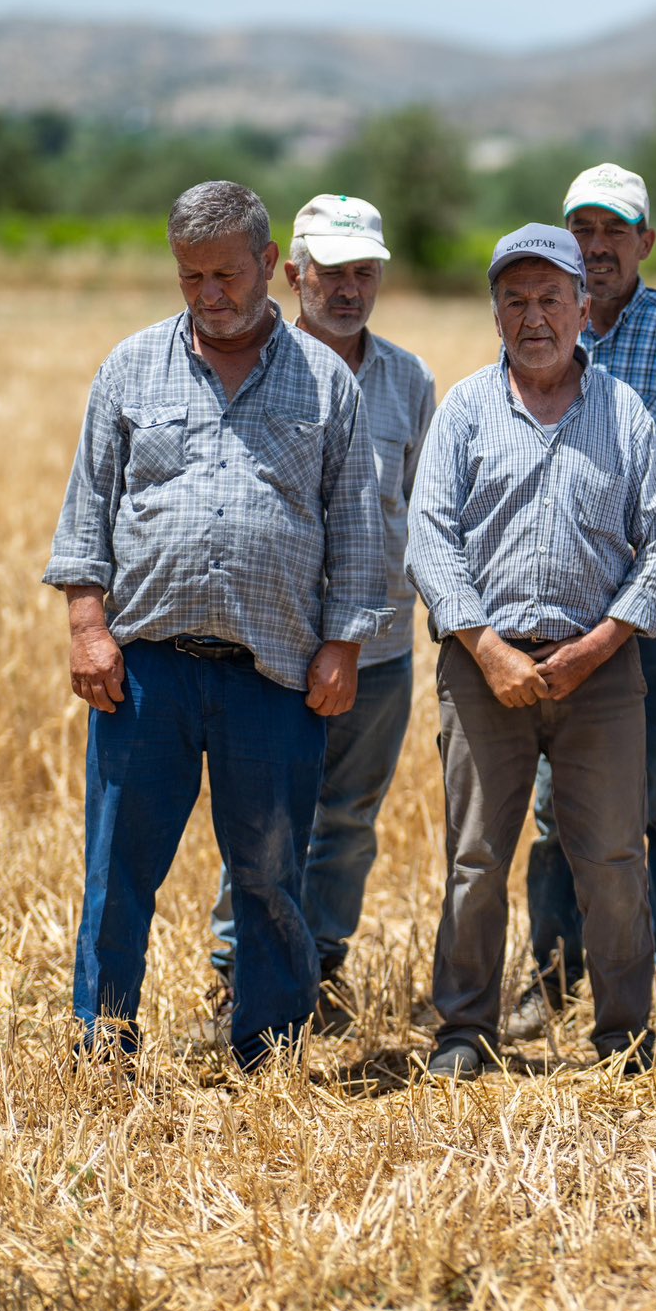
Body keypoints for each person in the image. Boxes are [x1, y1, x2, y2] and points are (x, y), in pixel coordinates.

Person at [42, 179, 386, 1071]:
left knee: (270, 874)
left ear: (270, 265)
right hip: (146, 669)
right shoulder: (129, 368)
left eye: (227, 274)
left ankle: (266, 1050)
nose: (210, 294)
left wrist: (342, 645)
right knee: (120, 869)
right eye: (191, 276)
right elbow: (89, 512)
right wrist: (88, 626)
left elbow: (355, 524)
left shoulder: (325, 385)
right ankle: (101, 1042)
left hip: (272, 672)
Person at [406, 224, 656, 1081]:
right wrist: (487, 649)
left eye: (551, 299)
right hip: (483, 672)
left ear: (583, 307)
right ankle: (465, 1032)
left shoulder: (624, 412)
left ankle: (624, 1038)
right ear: (495, 313)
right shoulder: (464, 410)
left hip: (600, 675)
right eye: (515, 301)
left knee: (611, 860)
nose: (534, 318)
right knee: (477, 859)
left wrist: (598, 646)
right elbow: (429, 537)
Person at [202, 193, 436, 1037]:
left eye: (363, 273)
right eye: (330, 273)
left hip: (379, 648)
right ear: (291, 273)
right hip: (275, 649)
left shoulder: (410, 380)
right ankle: (237, 975)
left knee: (346, 823)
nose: (347, 288)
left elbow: (423, 510)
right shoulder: (251, 365)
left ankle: (321, 970)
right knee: (262, 823)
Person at [518, 164, 656, 1054]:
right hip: (552, 609)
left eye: (616, 230)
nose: (598, 247)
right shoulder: (544, 331)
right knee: (549, 805)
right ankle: (552, 977)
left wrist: (623, 606)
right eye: (583, 229)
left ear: (647, 242)